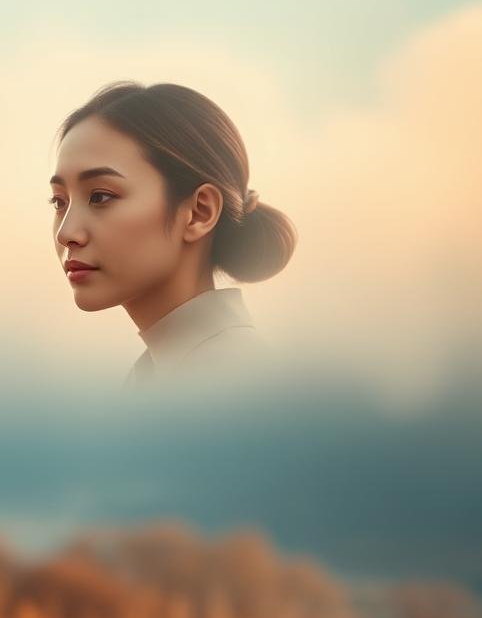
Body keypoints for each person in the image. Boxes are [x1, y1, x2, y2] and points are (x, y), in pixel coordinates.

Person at [49, 82, 298, 391]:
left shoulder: (238, 385)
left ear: (199, 212)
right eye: (59, 202)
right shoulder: (157, 377)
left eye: (100, 197)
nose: (66, 233)